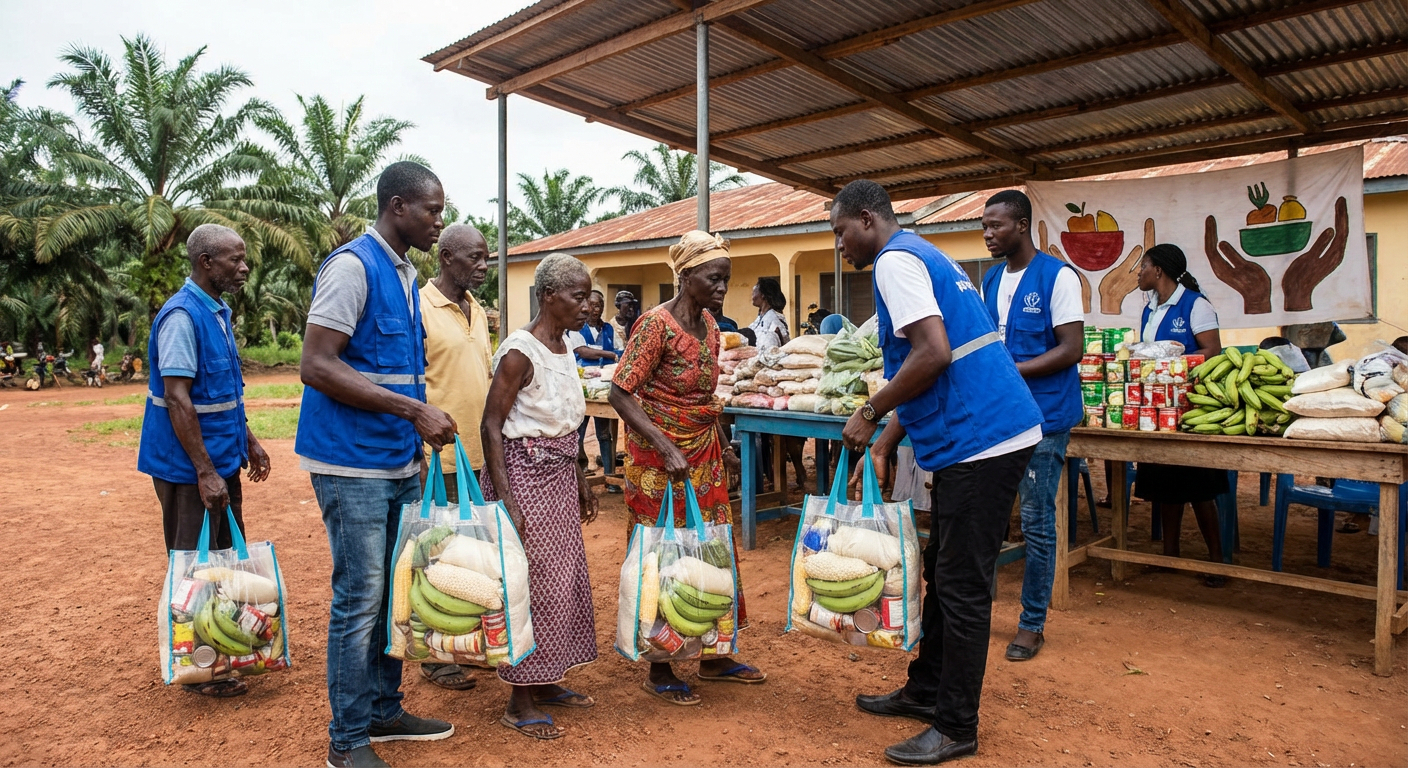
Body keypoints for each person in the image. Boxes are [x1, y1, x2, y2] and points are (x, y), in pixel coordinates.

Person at [833, 180, 1043, 766]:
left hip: (984, 438)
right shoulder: (925, 254)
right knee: (942, 572)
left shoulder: (895, 262)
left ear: (868, 220)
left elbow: (933, 353)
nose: (840, 246)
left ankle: (956, 727)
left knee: (963, 585)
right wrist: (888, 439)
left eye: (841, 232)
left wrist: (869, 411)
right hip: (974, 436)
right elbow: (929, 362)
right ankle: (926, 691)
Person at [296, 161, 459, 768]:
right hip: (351, 464)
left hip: (396, 461)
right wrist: (413, 411)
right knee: (360, 596)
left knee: (397, 590)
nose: (439, 222)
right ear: (398, 207)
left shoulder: (404, 275)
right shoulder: (352, 267)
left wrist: (411, 432)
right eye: (432, 211)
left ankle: (385, 709)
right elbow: (317, 364)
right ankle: (348, 740)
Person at [608, 230, 763, 706]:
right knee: (663, 552)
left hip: (703, 453)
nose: (721, 287)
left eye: (726, 279)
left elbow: (702, 400)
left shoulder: (713, 328)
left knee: (711, 546)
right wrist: (663, 444)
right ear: (686, 275)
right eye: (713, 278)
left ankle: (714, 652)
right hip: (658, 460)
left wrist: (723, 447)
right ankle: (660, 663)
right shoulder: (653, 326)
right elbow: (620, 392)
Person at [137, 224, 273, 698]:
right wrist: (204, 471)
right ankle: (197, 668)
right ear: (206, 263)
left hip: (220, 461)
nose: (244, 267)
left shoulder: (217, 312)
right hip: (188, 469)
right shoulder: (181, 316)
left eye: (245, 258)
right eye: (235, 260)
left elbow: (222, 394)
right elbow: (178, 399)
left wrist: (248, 440)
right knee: (192, 564)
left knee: (220, 559)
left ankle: (220, 650)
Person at [480, 253, 600, 740]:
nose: (588, 306)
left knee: (562, 582)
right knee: (528, 587)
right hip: (524, 481)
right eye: (577, 296)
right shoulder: (519, 351)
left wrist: (580, 476)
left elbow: (567, 422)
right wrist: (507, 499)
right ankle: (519, 697)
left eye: (589, 295)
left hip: (558, 480)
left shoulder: (564, 345)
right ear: (548, 296)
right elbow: (491, 424)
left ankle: (547, 679)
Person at [978, 190, 1085, 662]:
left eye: (996, 225)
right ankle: (977, 612)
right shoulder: (990, 279)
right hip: (1000, 417)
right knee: (989, 517)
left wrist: (1011, 372)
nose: (987, 234)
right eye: (984, 225)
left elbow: (1071, 349)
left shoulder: (1058, 276)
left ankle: (1031, 623)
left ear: (1021, 225)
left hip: (1045, 417)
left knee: (1038, 523)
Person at [416, 222, 493, 693]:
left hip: (478, 456)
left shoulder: (477, 309)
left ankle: (464, 638)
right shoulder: (419, 306)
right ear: (446, 257)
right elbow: (409, 384)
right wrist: (418, 452)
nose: (484, 266)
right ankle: (436, 653)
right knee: (438, 556)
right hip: (438, 457)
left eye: (487, 258)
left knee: (472, 557)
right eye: (475, 259)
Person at [1132, 243, 1228, 587]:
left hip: (1191, 408)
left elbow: (1212, 351)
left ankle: (1218, 561)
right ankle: (1169, 555)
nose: (1138, 274)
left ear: (1158, 270)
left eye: (1143, 266)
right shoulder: (1149, 310)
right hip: (1156, 407)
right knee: (1164, 484)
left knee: (1199, 488)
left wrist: (1175, 362)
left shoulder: (1195, 305)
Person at [748, 276, 806, 488]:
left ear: (762, 294)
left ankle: (791, 474)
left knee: (781, 433)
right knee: (773, 434)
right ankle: (777, 476)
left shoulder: (774, 318)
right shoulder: (760, 317)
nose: (751, 291)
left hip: (776, 377)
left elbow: (774, 348)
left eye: (755, 288)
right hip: (762, 376)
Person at [569, 290, 620, 490]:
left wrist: (614, 355)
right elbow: (581, 351)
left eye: (599, 305)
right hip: (582, 389)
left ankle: (610, 478)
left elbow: (619, 349)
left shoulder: (608, 328)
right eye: (591, 305)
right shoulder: (576, 329)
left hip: (604, 389)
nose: (595, 309)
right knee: (579, 431)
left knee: (605, 433)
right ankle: (579, 478)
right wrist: (609, 354)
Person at [748, 276, 790, 350]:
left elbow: (771, 348)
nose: (752, 297)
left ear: (763, 295)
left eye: (754, 293)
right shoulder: (761, 317)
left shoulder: (774, 320)